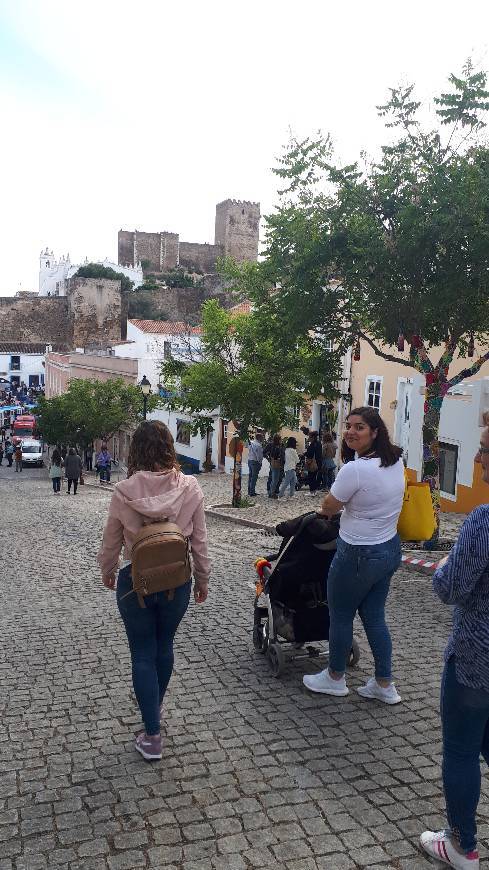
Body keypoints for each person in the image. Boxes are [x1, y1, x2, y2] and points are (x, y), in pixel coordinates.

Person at [98, 420, 210, 761]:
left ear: (135, 451)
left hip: (138, 581)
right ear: (169, 447)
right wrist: (203, 579)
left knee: (142, 653)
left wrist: (107, 571)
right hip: (177, 581)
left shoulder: (124, 492)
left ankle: (151, 734)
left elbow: (111, 541)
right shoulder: (190, 488)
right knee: (164, 647)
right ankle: (154, 713)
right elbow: (199, 542)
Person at [419, 422, 489, 870]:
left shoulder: (484, 520)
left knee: (462, 749)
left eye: (484, 449)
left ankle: (462, 845)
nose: (479, 459)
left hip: (475, 660)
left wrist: (444, 564)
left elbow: (451, 586)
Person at [303, 406, 404, 702]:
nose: (350, 432)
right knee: (374, 617)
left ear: (375, 432)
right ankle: (384, 684)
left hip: (357, 553)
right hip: (388, 548)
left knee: (341, 615)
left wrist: (329, 507)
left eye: (359, 427)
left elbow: (329, 506)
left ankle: (335, 677)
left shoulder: (355, 470)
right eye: (349, 426)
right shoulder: (395, 458)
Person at [247, 433, 263, 498]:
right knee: (254, 477)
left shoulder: (251, 442)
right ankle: (252, 492)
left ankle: (249, 491)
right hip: (255, 462)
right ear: (259, 438)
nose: (263, 438)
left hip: (249, 460)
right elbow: (259, 456)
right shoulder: (258, 445)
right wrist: (260, 462)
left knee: (250, 476)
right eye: (262, 437)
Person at [268, 434, 283, 499]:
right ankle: (272, 493)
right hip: (276, 464)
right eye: (280, 439)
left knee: (274, 479)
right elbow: (276, 456)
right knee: (275, 480)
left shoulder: (274, 446)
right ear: (278, 440)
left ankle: (271, 492)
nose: (281, 440)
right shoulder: (276, 447)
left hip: (273, 463)